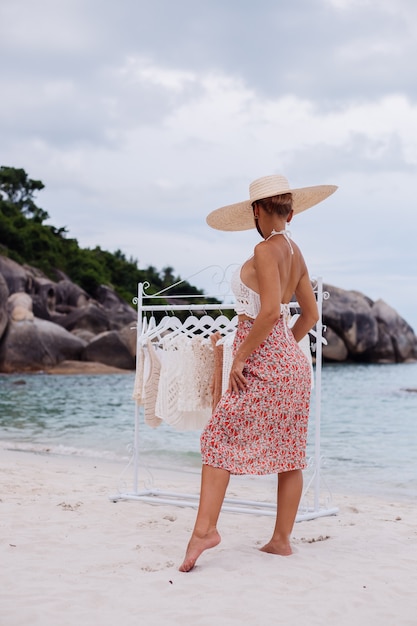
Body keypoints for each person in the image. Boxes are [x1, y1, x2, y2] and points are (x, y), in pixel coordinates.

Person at [179, 174, 337, 572]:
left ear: (256, 210)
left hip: (263, 359)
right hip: (291, 364)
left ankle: (205, 531)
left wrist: (242, 357)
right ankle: (281, 541)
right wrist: (284, 347)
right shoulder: (296, 253)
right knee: (290, 454)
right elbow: (311, 315)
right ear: (292, 211)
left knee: (217, 438)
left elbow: (267, 313)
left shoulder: (265, 250)